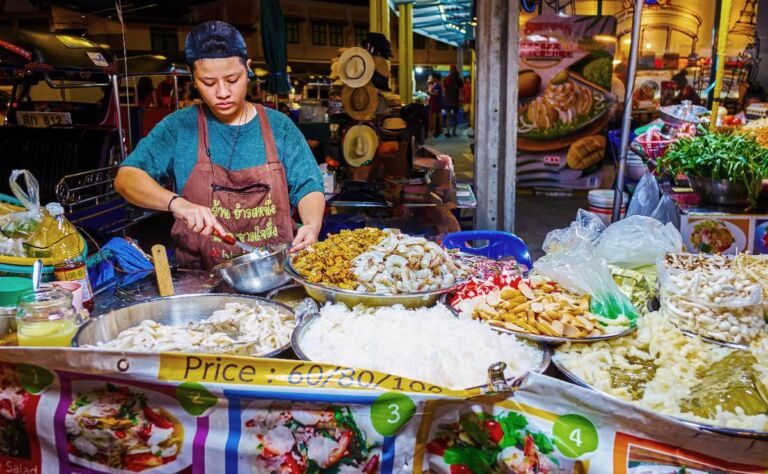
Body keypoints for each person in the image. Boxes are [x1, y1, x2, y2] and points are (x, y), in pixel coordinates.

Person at [115, 21, 325, 270]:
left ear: (248, 69)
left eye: (232, 79)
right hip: (202, 279)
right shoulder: (179, 127)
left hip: (276, 272)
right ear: (193, 78)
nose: (222, 92)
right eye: (209, 82)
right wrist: (176, 203)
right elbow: (126, 178)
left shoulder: (280, 127)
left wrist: (312, 225)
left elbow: (308, 184)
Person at [442, 65, 464, 137]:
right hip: (448, 100)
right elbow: (444, 90)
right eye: (450, 69)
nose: (451, 70)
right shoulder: (446, 79)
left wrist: (460, 99)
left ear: (455, 70)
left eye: (452, 69)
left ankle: (454, 131)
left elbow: (460, 90)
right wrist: (444, 98)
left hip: (455, 100)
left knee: (455, 116)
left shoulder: (459, 79)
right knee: (448, 115)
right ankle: (448, 131)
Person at [427, 72, 443, 139]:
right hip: (437, 103)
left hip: (435, 103)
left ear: (435, 78)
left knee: (433, 117)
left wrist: (428, 93)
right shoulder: (437, 84)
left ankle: (433, 131)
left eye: (432, 77)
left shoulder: (437, 85)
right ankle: (439, 131)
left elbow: (435, 94)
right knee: (439, 116)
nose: (432, 79)